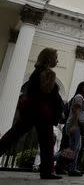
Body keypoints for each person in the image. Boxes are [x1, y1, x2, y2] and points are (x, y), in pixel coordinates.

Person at [0, 48, 64, 179]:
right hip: (40, 112)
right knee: (44, 142)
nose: (57, 61)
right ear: (48, 58)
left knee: (14, 135)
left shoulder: (38, 72)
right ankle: (47, 171)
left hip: (35, 111)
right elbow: (46, 91)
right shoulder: (45, 73)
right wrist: (52, 79)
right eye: (55, 58)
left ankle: (47, 171)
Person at [65, 81, 84, 177]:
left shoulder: (81, 98)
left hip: (77, 125)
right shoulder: (79, 97)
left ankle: (71, 167)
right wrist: (74, 125)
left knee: (75, 148)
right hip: (75, 124)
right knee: (75, 148)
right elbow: (76, 111)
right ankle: (71, 168)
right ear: (80, 88)